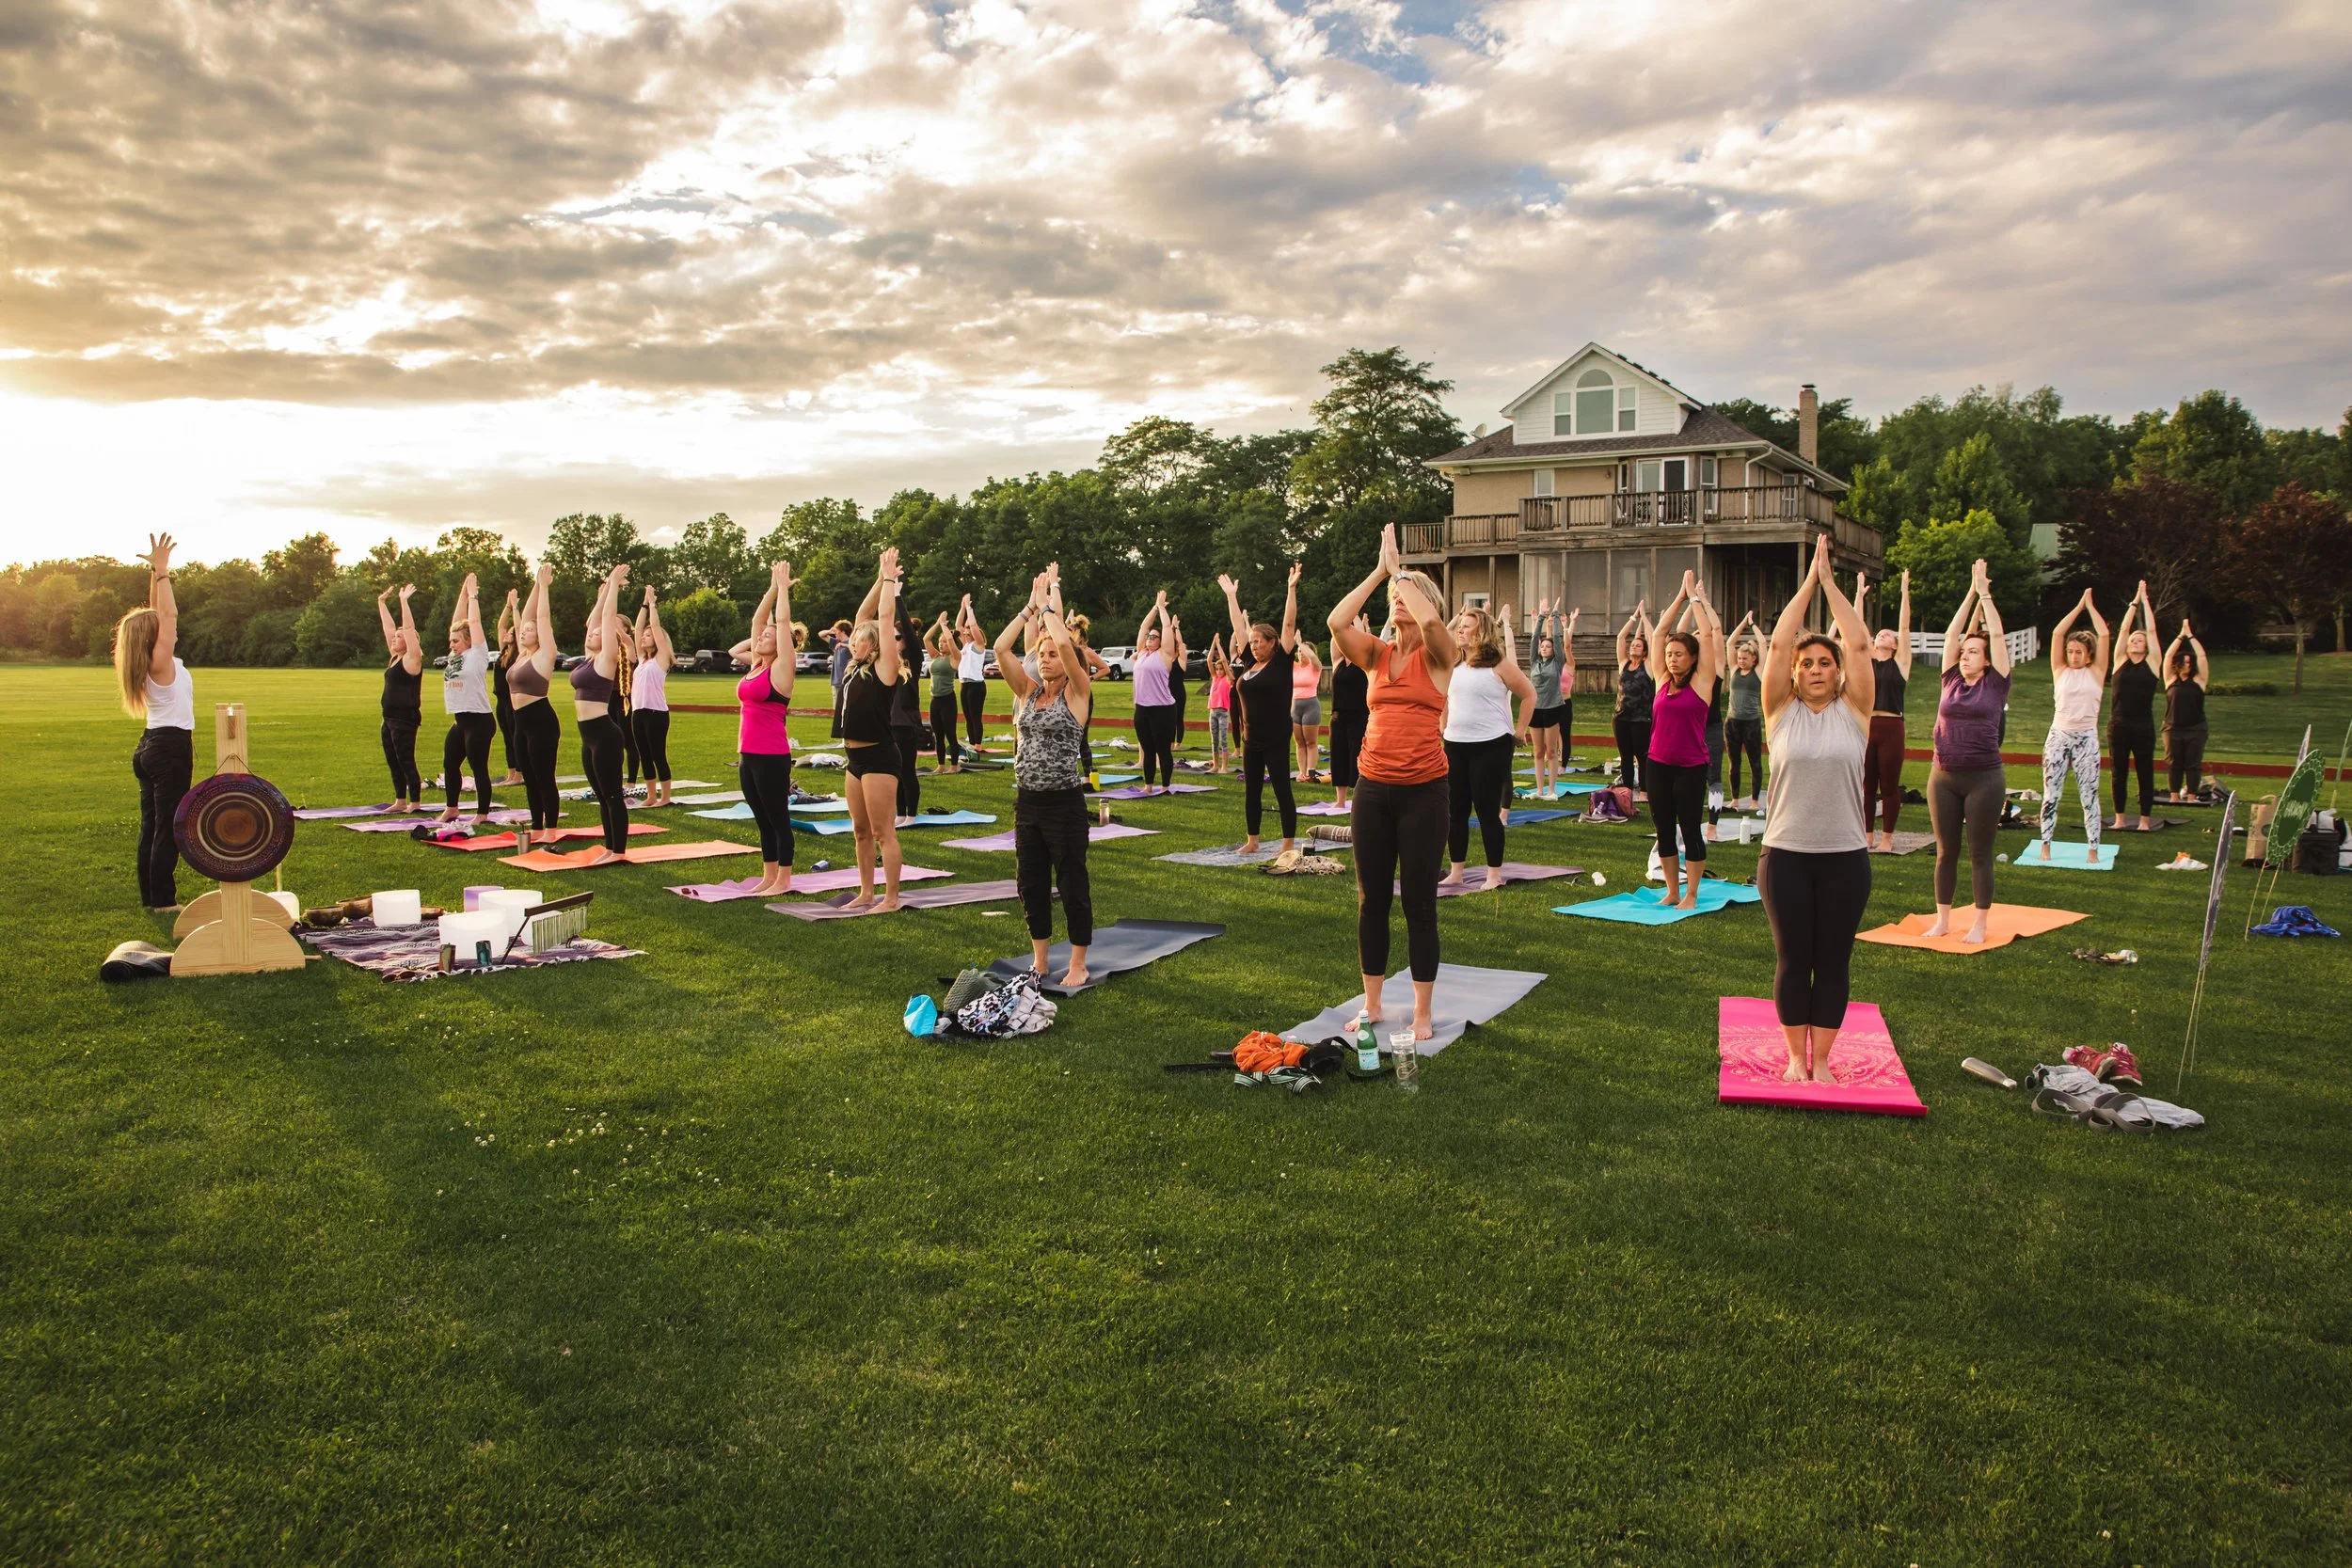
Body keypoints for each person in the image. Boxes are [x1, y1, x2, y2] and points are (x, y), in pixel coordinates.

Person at [1328, 524, 1457, 1042]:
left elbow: (1430, 620)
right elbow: (1337, 620)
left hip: (1425, 793)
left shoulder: (1439, 655)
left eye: (1407, 595)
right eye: (1394, 596)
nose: (1399, 600)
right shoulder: (1377, 656)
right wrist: (1381, 571)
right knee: (1370, 899)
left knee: (1419, 902)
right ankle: (1374, 1002)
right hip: (1373, 790)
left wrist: (1403, 574)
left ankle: (1423, 1009)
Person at [1757, 532, 1877, 1085]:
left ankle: (1822, 1060)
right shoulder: (1779, 711)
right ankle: (1794, 1057)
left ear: (1836, 671)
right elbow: (1778, 648)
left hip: (1844, 857)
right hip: (1784, 856)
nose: (1813, 669)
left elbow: (1858, 646)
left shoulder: (1855, 711)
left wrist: (1831, 584)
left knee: (1832, 961)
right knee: (1792, 960)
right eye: (1806, 664)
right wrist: (1807, 584)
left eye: (1823, 662)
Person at [995, 565, 1094, 988]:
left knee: (1071, 881)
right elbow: (1001, 649)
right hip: (1029, 802)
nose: (1050, 659)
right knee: (1029, 881)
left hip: (1064, 803)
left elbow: (1071, 652)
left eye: (1055, 654)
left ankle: (1077, 961)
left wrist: (1053, 596)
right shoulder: (1027, 692)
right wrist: (1028, 609)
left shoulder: (1077, 693)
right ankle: (1039, 959)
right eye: (1044, 654)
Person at [1923, 558, 2014, 942]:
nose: (1965, 655)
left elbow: (1996, 632)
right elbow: (1950, 635)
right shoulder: (1950, 678)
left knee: (1980, 853)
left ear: (1989, 659)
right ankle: (1943, 920)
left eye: (1974, 652)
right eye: (1965, 651)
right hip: (1942, 775)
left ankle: (1979, 923)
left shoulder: (1996, 684)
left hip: (1984, 778)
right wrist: (1969, 592)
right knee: (1946, 852)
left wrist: (1986, 595)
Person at [117, 533, 193, 912]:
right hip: (169, 749)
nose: (172, 631)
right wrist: (163, 573)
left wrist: (154, 571)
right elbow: (167, 615)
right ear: (154, 637)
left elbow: (157, 614)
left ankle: (152, 898)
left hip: (149, 747)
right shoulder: (160, 663)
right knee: (168, 828)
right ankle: (163, 901)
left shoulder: (149, 661)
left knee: (152, 827)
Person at [1439, 602, 1534, 891]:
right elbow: (1443, 697)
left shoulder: (1498, 663)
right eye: (1459, 627)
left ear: (1480, 631)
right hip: (1455, 745)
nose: (1459, 631)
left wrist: (1519, 731)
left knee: (1486, 812)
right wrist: (1442, 726)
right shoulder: (1452, 663)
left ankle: (1493, 875)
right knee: (1455, 812)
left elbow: (1529, 695)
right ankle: (1457, 871)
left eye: (1465, 627)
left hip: (1491, 746)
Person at [838, 548, 910, 911]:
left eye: (861, 639)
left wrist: (889, 581)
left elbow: (881, 617)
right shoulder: (853, 667)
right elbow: (862, 615)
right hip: (853, 758)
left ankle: (892, 897)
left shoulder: (885, 669)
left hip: (879, 756)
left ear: (876, 644)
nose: (854, 642)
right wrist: (878, 577)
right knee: (860, 831)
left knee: (883, 832)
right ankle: (866, 892)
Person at [1644, 573, 1721, 908]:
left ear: (1692, 658)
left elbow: (1706, 632)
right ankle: (1672, 891)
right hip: (1657, 764)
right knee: (1664, 829)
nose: (1672, 658)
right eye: (1670, 654)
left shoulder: (1703, 683)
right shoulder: (1661, 679)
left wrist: (1695, 598)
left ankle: (1691, 893)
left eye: (1679, 654)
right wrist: (1678, 596)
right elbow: (1659, 633)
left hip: (1691, 767)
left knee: (1690, 828)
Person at [1223, 563, 1304, 856]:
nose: (1255, 646)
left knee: (1282, 789)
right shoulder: (1248, 664)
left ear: (1272, 643)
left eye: (1260, 642)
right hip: (1250, 739)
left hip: (1276, 737)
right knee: (1252, 791)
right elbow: (1237, 628)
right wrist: (1232, 597)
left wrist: (1291, 589)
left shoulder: (1281, 662)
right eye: (1253, 642)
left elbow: (1289, 624)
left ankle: (1287, 844)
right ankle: (1253, 840)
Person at [730, 562, 797, 895]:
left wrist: (784, 590)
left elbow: (779, 622)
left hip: (772, 755)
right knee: (760, 817)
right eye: (762, 636)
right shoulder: (756, 665)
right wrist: (772, 587)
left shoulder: (782, 668)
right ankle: (769, 876)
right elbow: (760, 620)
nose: (761, 636)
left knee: (778, 817)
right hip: (748, 754)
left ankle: (784, 880)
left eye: (768, 636)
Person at [2039, 588, 2111, 858]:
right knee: (2051, 794)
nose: (2073, 656)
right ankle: (2046, 844)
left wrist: (2090, 608)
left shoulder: (2097, 672)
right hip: (2059, 735)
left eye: (2079, 651)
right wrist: (2078, 606)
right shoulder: (2060, 670)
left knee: (2089, 796)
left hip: (2086, 739)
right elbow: (2058, 633)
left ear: (2089, 654)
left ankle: (2093, 848)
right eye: (2070, 651)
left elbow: (2103, 635)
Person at [568, 565, 633, 860]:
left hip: (604, 734)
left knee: (612, 795)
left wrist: (613, 586)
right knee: (601, 797)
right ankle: (609, 847)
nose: (592, 633)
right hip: (588, 737)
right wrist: (604, 591)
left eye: (598, 634)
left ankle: (617, 851)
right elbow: (594, 619)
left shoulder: (606, 659)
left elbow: (606, 619)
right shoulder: (586, 659)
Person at [1857, 571, 1913, 851]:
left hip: (1892, 728)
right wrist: (1858, 594)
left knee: (1889, 786)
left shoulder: (1900, 663)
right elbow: (1856, 627)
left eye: (1887, 634)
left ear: (1893, 645)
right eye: (1879, 632)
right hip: (1868, 726)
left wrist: (1904, 592)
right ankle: (1866, 836)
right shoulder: (1867, 660)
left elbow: (1904, 628)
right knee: (1867, 786)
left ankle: (1887, 839)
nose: (1882, 633)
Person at [508, 565, 564, 843]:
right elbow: (529, 615)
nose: (523, 631)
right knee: (529, 777)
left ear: (540, 635)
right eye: (522, 630)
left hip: (541, 721)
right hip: (520, 725)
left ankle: (551, 830)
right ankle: (537, 827)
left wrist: (544, 588)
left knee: (544, 777)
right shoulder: (521, 655)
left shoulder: (545, 655)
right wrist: (534, 584)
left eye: (529, 631)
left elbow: (540, 616)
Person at [437, 572, 497, 824]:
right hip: (460, 721)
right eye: (451, 640)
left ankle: (482, 814)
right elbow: (457, 619)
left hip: (480, 721)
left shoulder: (477, 653)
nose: (451, 644)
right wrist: (463, 590)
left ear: (469, 640)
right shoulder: (454, 655)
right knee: (450, 764)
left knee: (478, 767)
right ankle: (452, 809)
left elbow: (473, 621)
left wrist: (473, 596)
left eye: (456, 640)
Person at [2108, 580, 2160, 831]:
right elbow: (2123, 629)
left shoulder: (2152, 663)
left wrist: (2145, 600)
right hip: (2118, 725)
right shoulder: (2119, 661)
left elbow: (2151, 631)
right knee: (2118, 772)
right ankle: (2119, 818)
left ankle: (2144, 820)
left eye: (2140, 639)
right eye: (2133, 639)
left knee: (2144, 771)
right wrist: (2133, 604)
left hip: (2143, 725)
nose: (2136, 640)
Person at [375, 582, 424, 811]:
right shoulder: (395, 657)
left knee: (406, 759)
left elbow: (407, 627)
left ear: (409, 640)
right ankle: (400, 800)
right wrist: (382, 603)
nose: (394, 639)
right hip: (389, 718)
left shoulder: (412, 659)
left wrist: (404, 602)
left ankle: (414, 801)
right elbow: (388, 628)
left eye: (399, 636)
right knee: (393, 760)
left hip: (405, 718)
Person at [1130, 593, 1182, 789]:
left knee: (1163, 750)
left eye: (1154, 636)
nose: (1150, 638)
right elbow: (1143, 627)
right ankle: (1149, 785)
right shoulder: (1142, 652)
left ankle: (1165, 786)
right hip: (1142, 709)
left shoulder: (1165, 654)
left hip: (1163, 709)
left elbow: (1167, 628)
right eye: (1149, 637)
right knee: (1148, 749)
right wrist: (1153, 607)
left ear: (1161, 641)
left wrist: (1162, 608)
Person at [1526, 600, 1577, 800]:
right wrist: (1540, 617)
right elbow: (1533, 639)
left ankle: (1551, 790)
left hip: (1554, 708)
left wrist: (1554, 616)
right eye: (1543, 646)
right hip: (1535, 710)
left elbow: (1557, 638)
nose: (1545, 648)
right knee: (1538, 752)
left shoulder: (1557, 663)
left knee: (1551, 751)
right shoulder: (1534, 662)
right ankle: (1539, 790)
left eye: (1548, 646)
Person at [632, 587, 675, 808]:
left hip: (656, 713)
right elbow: (638, 627)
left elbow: (654, 626)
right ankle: (651, 796)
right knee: (644, 755)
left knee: (658, 754)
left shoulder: (662, 659)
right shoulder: (641, 660)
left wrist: (653, 605)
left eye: (648, 636)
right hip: (638, 712)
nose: (644, 637)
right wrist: (643, 604)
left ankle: (665, 797)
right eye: (644, 636)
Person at [889, 596, 928, 824]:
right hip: (891, 723)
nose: (893, 641)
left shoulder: (913, 659)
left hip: (906, 723)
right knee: (895, 772)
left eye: (897, 637)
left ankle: (911, 814)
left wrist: (897, 597)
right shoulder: (891, 662)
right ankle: (900, 813)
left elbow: (909, 634)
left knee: (907, 771)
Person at [2162, 616, 2210, 803]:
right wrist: (2179, 637)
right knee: (2174, 763)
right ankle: (2174, 796)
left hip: (2196, 728)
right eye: (2185, 661)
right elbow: (2167, 657)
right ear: (2178, 663)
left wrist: (2190, 637)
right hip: (2172, 728)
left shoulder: (2199, 681)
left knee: (2193, 764)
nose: (2188, 665)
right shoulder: (2171, 680)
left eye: (2190, 662)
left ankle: (2191, 797)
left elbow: (2203, 657)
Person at [1327, 622, 1370, 809]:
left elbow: (1363, 638)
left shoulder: (1363, 661)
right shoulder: (1338, 662)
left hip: (1359, 717)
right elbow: (1335, 632)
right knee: (1338, 757)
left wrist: (1356, 621)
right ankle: (1341, 800)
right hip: (1338, 718)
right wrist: (1341, 624)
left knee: (1357, 756)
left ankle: (1358, 799)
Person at [1723, 622, 1765, 812]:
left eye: (1745, 658)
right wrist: (1742, 624)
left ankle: (1755, 800)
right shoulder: (1735, 671)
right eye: (1739, 658)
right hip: (1732, 723)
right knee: (1734, 763)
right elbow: (1730, 643)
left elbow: (1763, 644)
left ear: (1753, 658)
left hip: (1751, 724)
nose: (1740, 661)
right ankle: (1735, 799)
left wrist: (1753, 625)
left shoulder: (1758, 672)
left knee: (1755, 762)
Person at [1613, 604, 1655, 793]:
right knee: (1625, 756)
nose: (1634, 646)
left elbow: (1653, 639)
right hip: (1621, 718)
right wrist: (1633, 617)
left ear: (1645, 651)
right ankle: (1628, 790)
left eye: (1638, 645)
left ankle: (1646, 790)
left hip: (1641, 719)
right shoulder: (1624, 664)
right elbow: (1621, 637)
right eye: (1633, 645)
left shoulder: (1648, 666)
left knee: (1642, 755)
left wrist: (1645, 617)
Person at [926, 611, 963, 773]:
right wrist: (937, 622)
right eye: (940, 642)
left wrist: (944, 625)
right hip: (935, 700)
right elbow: (926, 639)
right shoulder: (935, 656)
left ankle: (953, 766)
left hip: (948, 700)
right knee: (938, 735)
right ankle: (941, 766)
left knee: (950, 734)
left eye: (944, 642)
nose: (941, 644)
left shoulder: (955, 657)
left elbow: (950, 639)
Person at [493, 589, 524, 785]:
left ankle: (520, 774)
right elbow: (500, 625)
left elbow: (519, 627)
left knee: (516, 737)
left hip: (513, 701)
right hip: (501, 701)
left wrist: (515, 607)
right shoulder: (504, 651)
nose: (507, 634)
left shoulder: (520, 652)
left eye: (511, 634)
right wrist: (506, 605)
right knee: (507, 738)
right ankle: (511, 773)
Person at [956, 598, 990, 748]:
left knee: (976, 717)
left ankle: (978, 745)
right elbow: (958, 626)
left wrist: (969, 608)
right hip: (964, 684)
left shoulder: (978, 644)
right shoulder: (966, 645)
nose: (966, 629)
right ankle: (972, 744)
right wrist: (962, 608)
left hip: (976, 685)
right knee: (968, 718)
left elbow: (974, 625)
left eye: (968, 628)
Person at [1292, 639, 1325, 781]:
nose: (1301, 654)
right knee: (1299, 742)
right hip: (1295, 707)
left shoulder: (1315, 667)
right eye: (1299, 652)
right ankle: (1302, 772)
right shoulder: (1293, 666)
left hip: (1311, 706)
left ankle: (1311, 772)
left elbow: (1313, 658)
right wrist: (1294, 643)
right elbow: (1281, 654)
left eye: (1303, 651)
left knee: (1310, 742)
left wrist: (1301, 644)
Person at [1205, 635, 1234, 774]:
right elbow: (1209, 660)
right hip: (1213, 712)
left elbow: (1223, 660)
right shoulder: (1215, 678)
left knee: (1223, 739)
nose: (1218, 671)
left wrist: (1219, 645)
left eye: (1221, 669)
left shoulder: (1229, 679)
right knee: (1214, 740)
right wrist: (1213, 643)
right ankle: (1215, 765)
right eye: (1217, 669)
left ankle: (1224, 767)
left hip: (1223, 712)